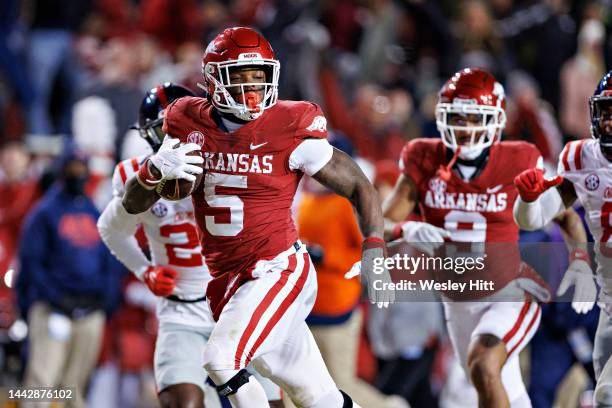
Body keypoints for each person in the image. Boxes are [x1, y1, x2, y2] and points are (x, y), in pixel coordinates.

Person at [121, 26, 393, 408]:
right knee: (317, 397)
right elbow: (133, 205)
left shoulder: (290, 125)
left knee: (221, 359)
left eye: (259, 76)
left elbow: (359, 185)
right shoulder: (186, 121)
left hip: (277, 269)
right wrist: (153, 170)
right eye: (240, 77)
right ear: (213, 80)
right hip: (229, 282)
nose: (252, 87)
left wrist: (375, 248)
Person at [381, 67, 589, 408]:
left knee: (484, 363)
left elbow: (565, 215)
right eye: (458, 118)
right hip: (457, 301)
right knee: (499, 386)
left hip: (510, 292)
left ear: (496, 120)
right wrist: (406, 229)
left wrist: (580, 261)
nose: (465, 128)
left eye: (475, 118)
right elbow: (381, 223)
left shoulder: (518, 159)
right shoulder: (424, 156)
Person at [97, 83, 284, 408]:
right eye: (165, 130)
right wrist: (145, 271)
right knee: (183, 402)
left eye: (181, 129)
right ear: (148, 136)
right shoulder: (138, 177)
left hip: (238, 304)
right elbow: (111, 228)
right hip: (181, 309)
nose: (175, 140)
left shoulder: (233, 163)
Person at [513, 69, 612, 407]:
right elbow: (541, 217)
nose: (610, 123)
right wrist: (528, 200)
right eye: (607, 113)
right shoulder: (582, 158)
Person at [15, 147, 124, 408]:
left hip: (90, 310)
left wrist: (105, 300)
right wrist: (54, 299)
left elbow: (111, 257)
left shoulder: (92, 210)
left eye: (82, 168)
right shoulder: (44, 212)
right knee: (40, 386)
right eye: (73, 168)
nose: (78, 174)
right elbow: (31, 264)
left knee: (75, 389)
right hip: (53, 311)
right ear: (61, 171)